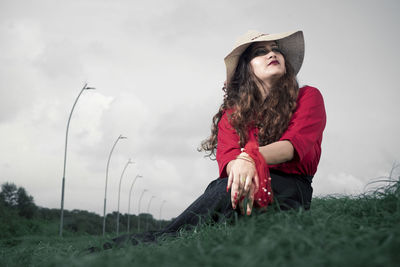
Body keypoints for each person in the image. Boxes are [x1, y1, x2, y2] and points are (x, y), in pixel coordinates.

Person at [99, 30, 326, 250]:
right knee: (221, 189)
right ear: (247, 68)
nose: (272, 54)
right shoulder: (231, 116)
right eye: (260, 52)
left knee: (223, 195)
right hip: (242, 188)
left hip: (290, 189)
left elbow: (291, 147)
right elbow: (230, 163)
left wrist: (249, 157)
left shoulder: (308, 96)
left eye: (276, 49)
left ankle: (164, 239)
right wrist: (244, 163)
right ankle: (166, 241)